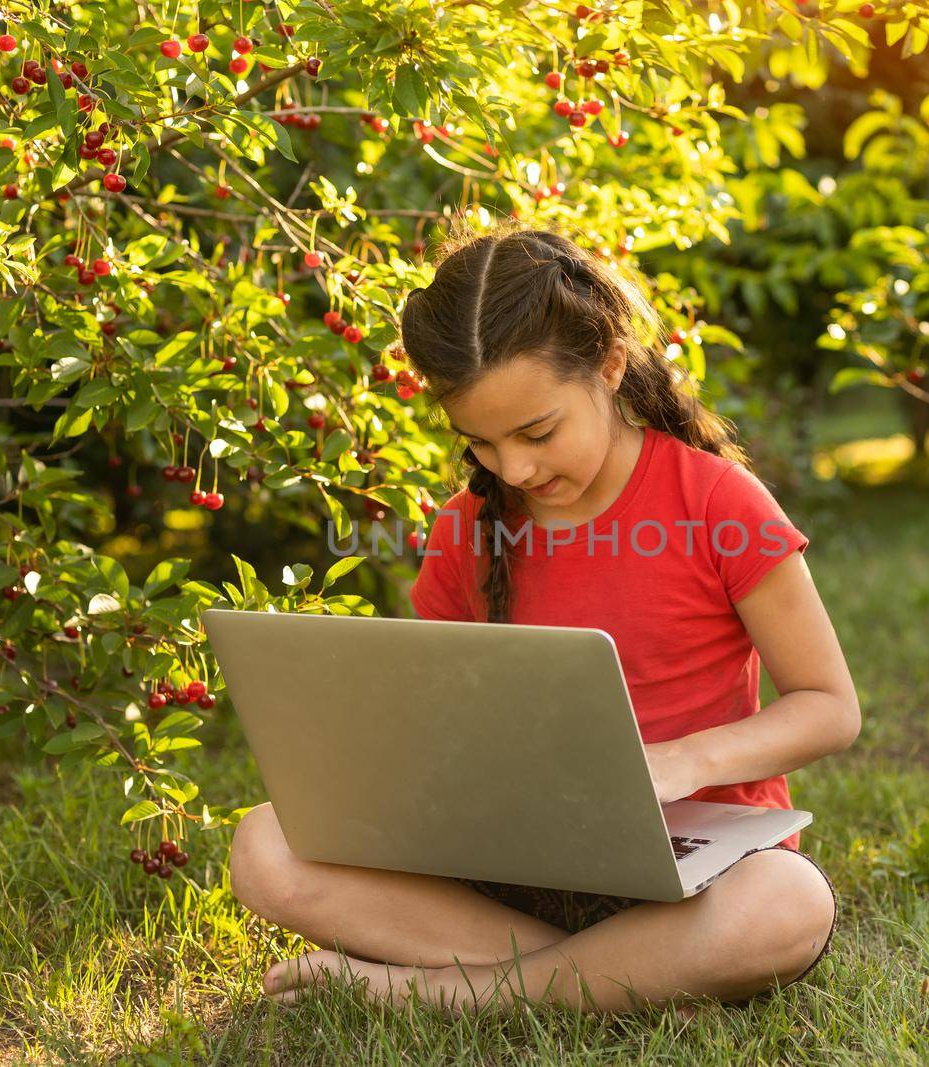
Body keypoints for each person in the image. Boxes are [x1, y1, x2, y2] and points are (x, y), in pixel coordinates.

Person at [227, 222, 862, 1017]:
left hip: (694, 867)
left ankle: (453, 991)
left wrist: (682, 762)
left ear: (609, 363)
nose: (515, 468)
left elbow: (830, 708)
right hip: (512, 867)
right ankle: (613, 977)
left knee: (789, 903)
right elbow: (431, 709)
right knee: (265, 845)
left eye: (538, 432)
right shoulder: (469, 525)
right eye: (482, 443)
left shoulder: (716, 502)